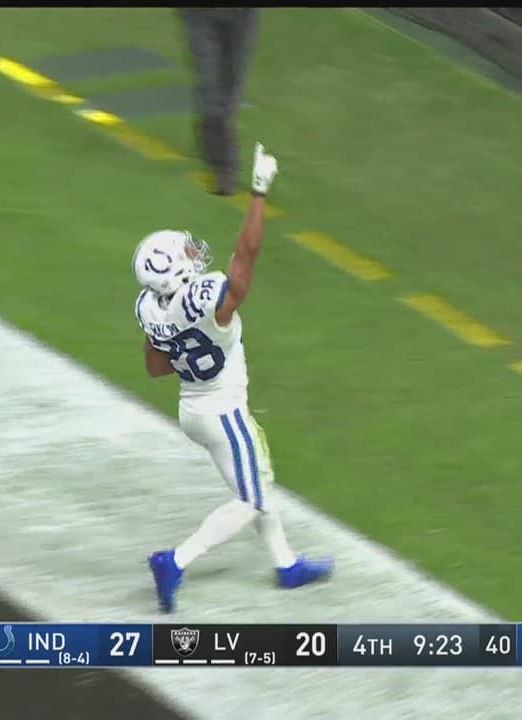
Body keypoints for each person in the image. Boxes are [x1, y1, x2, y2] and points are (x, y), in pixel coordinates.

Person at [133, 142, 333, 613]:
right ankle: (175, 561)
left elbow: (155, 368)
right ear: (175, 272)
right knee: (252, 498)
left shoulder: (150, 307)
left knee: (256, 481)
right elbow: (246, 257)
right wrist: (258, 191)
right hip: (223, 411)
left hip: (192, 408)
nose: (192, 252)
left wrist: (170, 336)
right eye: (183, 252)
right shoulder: (207, 300)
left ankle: (285, 564)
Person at [178, 8, 260, 196]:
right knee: (211, 85)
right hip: (200, 13)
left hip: (242, 16)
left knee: (231, 89)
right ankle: (225, 166)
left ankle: (210, 137)